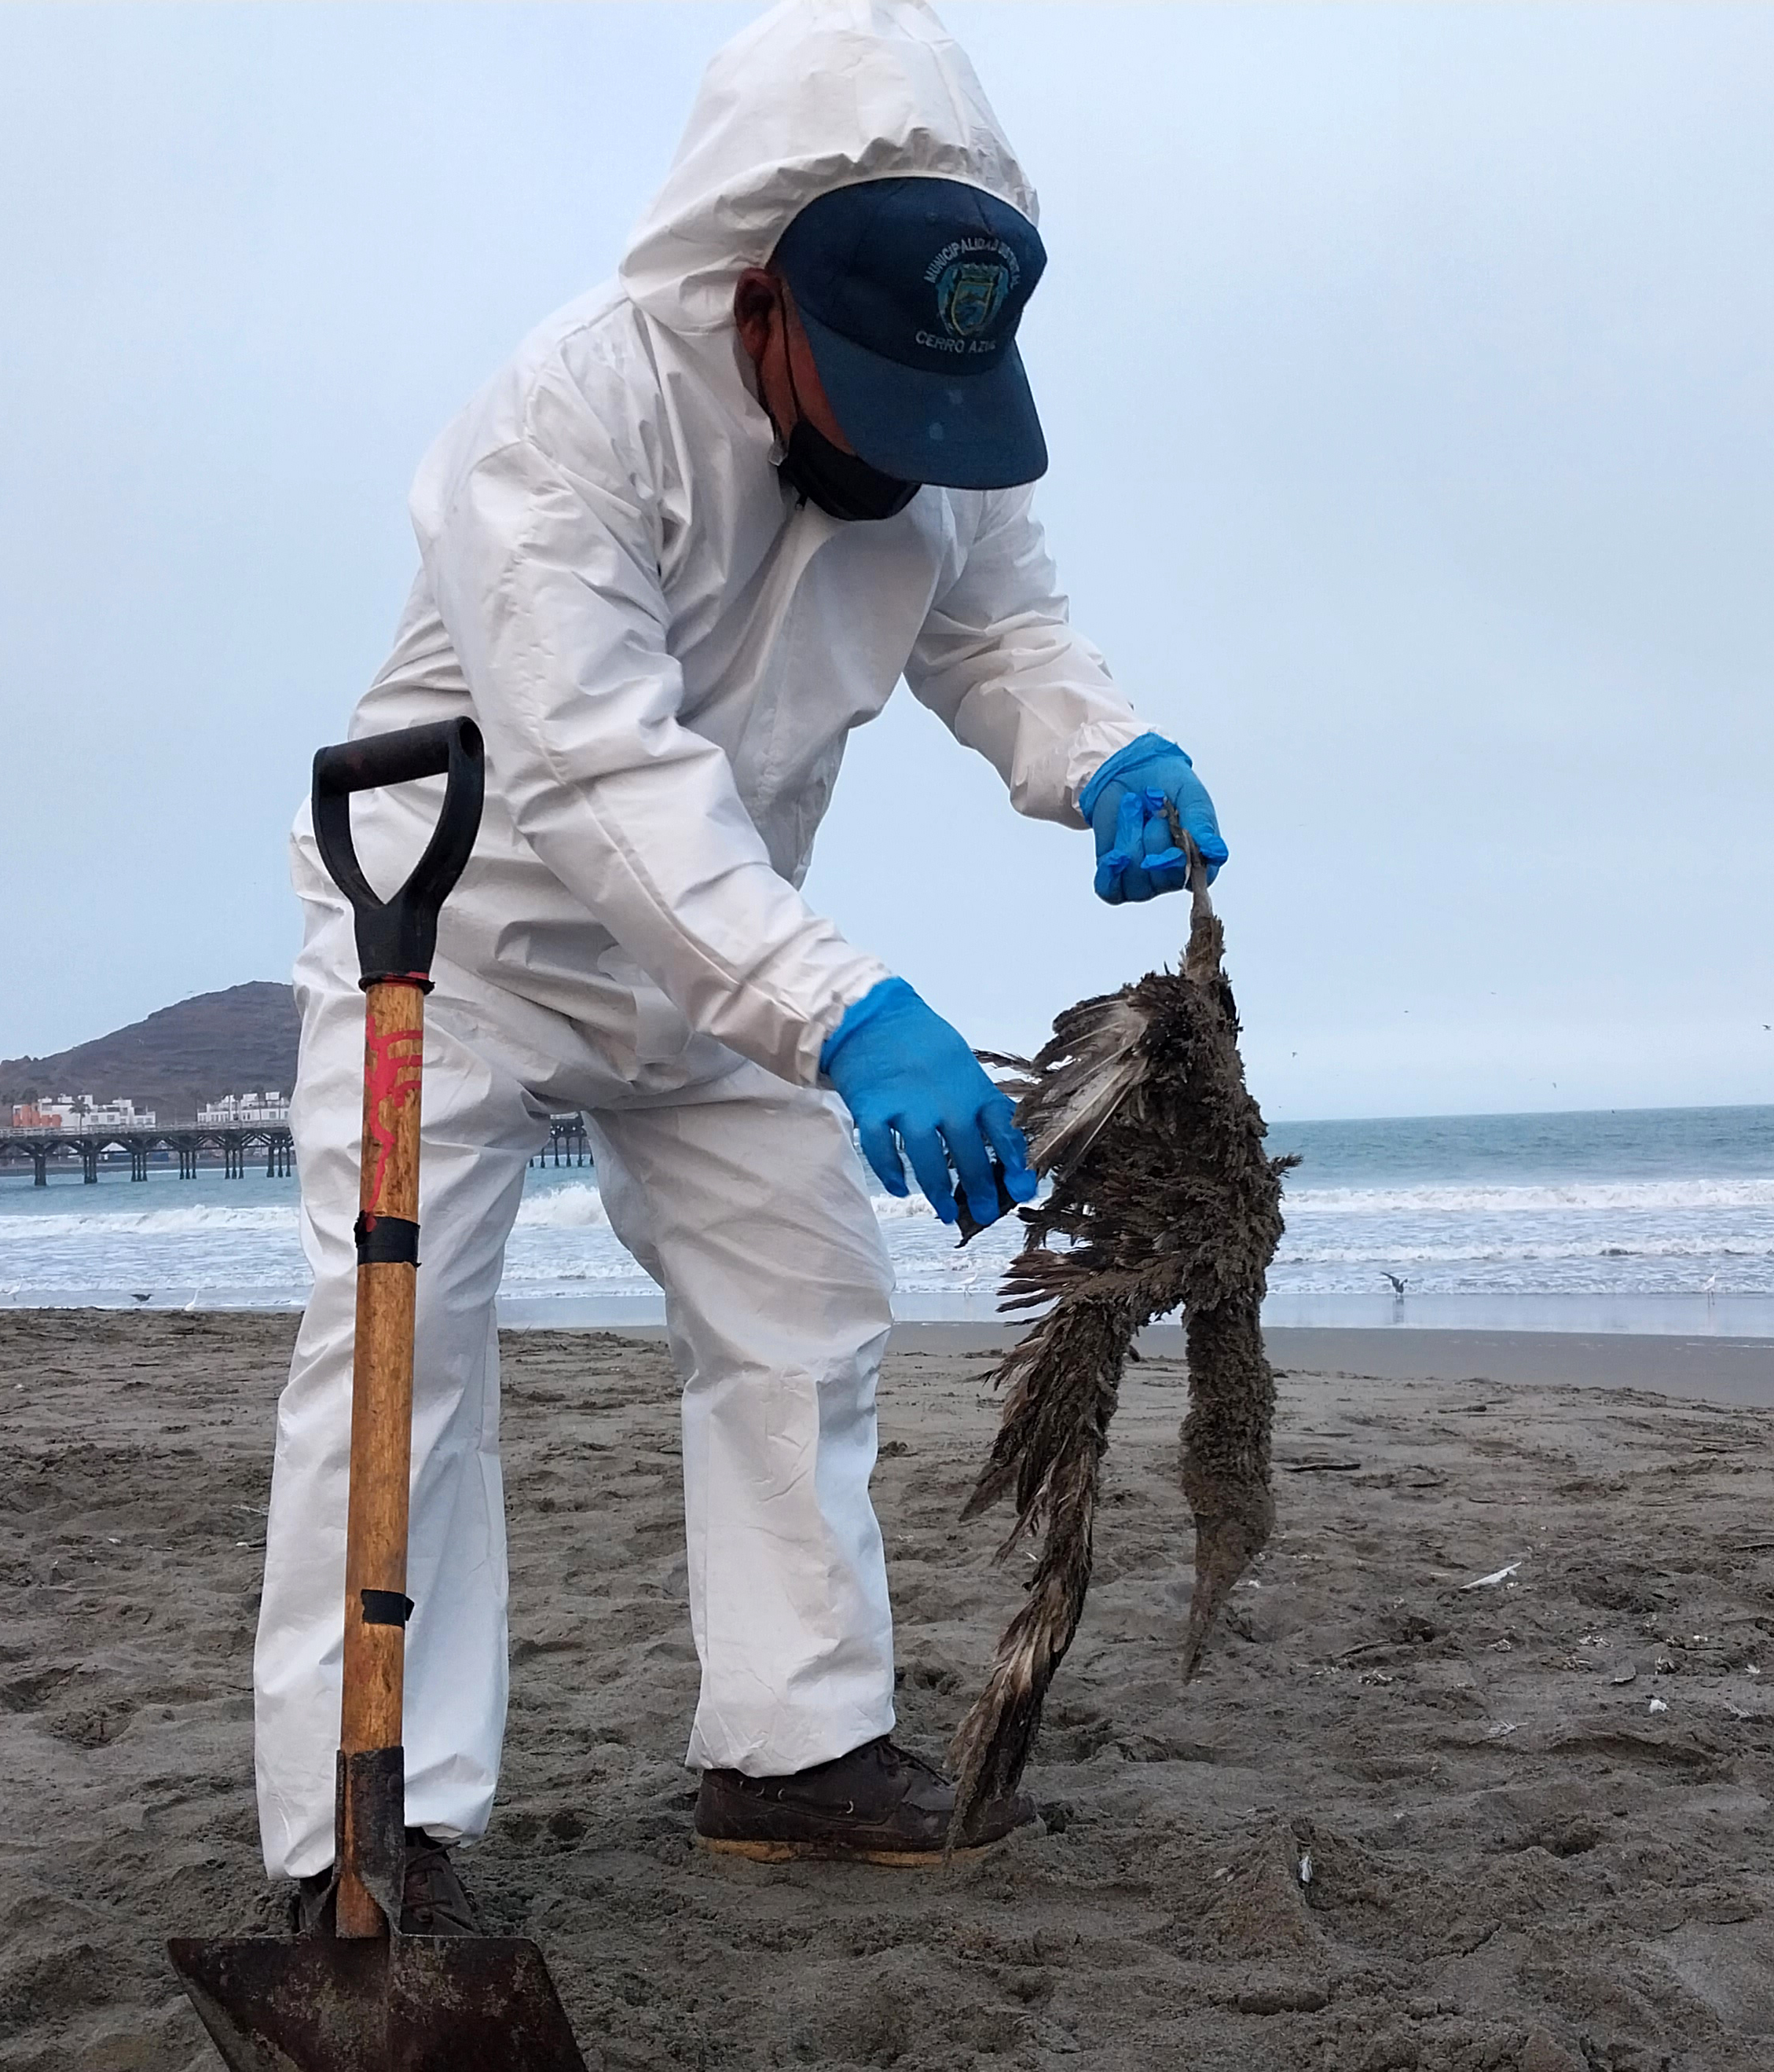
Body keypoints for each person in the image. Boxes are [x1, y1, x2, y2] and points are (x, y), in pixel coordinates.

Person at [254, 0, 1228, 1925]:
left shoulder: (943, 427)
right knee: (397, 1364)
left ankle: (794, 1751)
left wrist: (1103, 748)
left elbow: (1000, 627)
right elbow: (604, 779)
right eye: (865, 389)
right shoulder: (562, 424)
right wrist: (847, 1009)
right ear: (757, 293)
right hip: (453, 938)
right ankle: (364, 1840)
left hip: (733, 957)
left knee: (806, 1302)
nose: (907, 456)